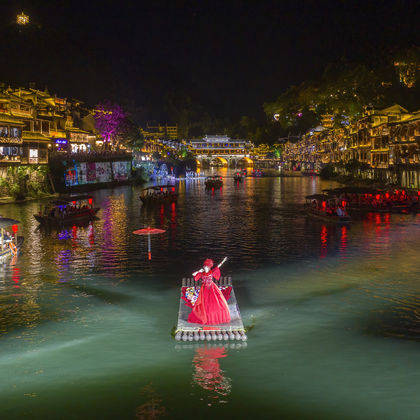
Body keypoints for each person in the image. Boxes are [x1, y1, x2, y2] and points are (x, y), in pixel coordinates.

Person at [188, 257, 230, 325]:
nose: (205, 268)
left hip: (212, 287)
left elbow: (218, 266)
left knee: (215, 301)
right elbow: (193, 274)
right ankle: (205, 315)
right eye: (204, 266)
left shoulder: (212, 272)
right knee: (204, 302)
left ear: (209, 267)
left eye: (207, 267)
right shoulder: (202, 273)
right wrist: (199, 271)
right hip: (204, 288)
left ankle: (213, 316)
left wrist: (223, 260)